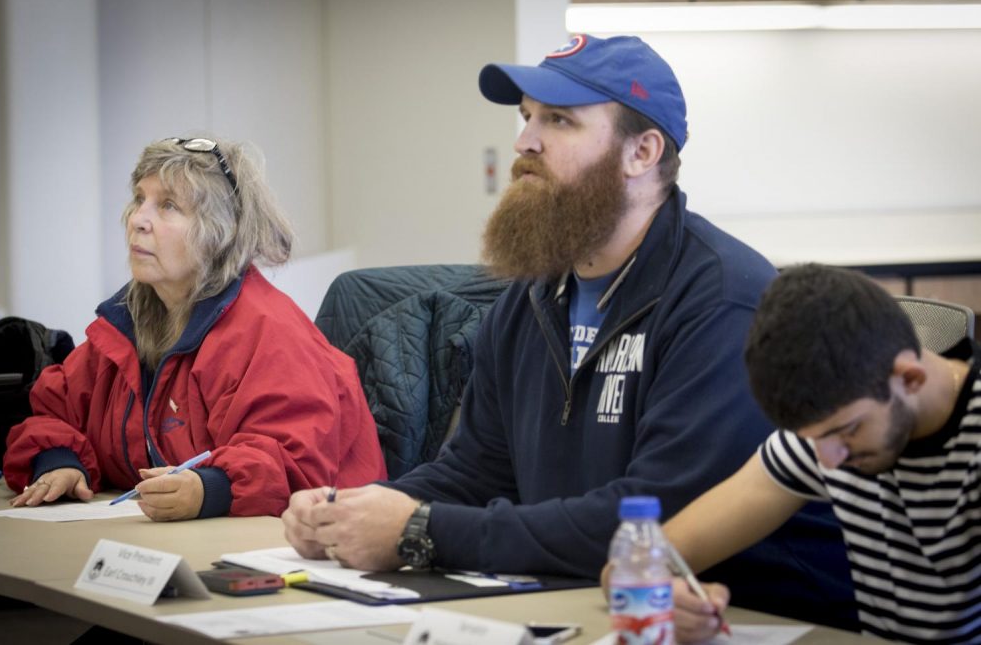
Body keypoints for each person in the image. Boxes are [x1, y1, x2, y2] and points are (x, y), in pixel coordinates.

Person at [283, 35, 855, 626]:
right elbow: (478, 469)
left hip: (747, 618)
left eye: (558, 120)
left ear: (642, 152)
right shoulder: (533, 295)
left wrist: (421, 531)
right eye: (526, 116)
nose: (524, 141)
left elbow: (651, 519)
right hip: (584, 601)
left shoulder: (721, 303)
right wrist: (355, 509)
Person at [3, 136, 386, 520]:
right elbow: (55, 410)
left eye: (168, 206)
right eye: (140, 199)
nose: (138, 219)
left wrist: (209, 489)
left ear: (219, 232)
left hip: (313, 545)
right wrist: (59, 462)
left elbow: (293, 463)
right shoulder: (122, 325)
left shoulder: (271, 334)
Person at [661, 263, 980, 644]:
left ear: (909, 378)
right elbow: (648, 558)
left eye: (848, 431)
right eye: (813, 439)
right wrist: (667, 598)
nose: (829, 461)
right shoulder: (826, 436)